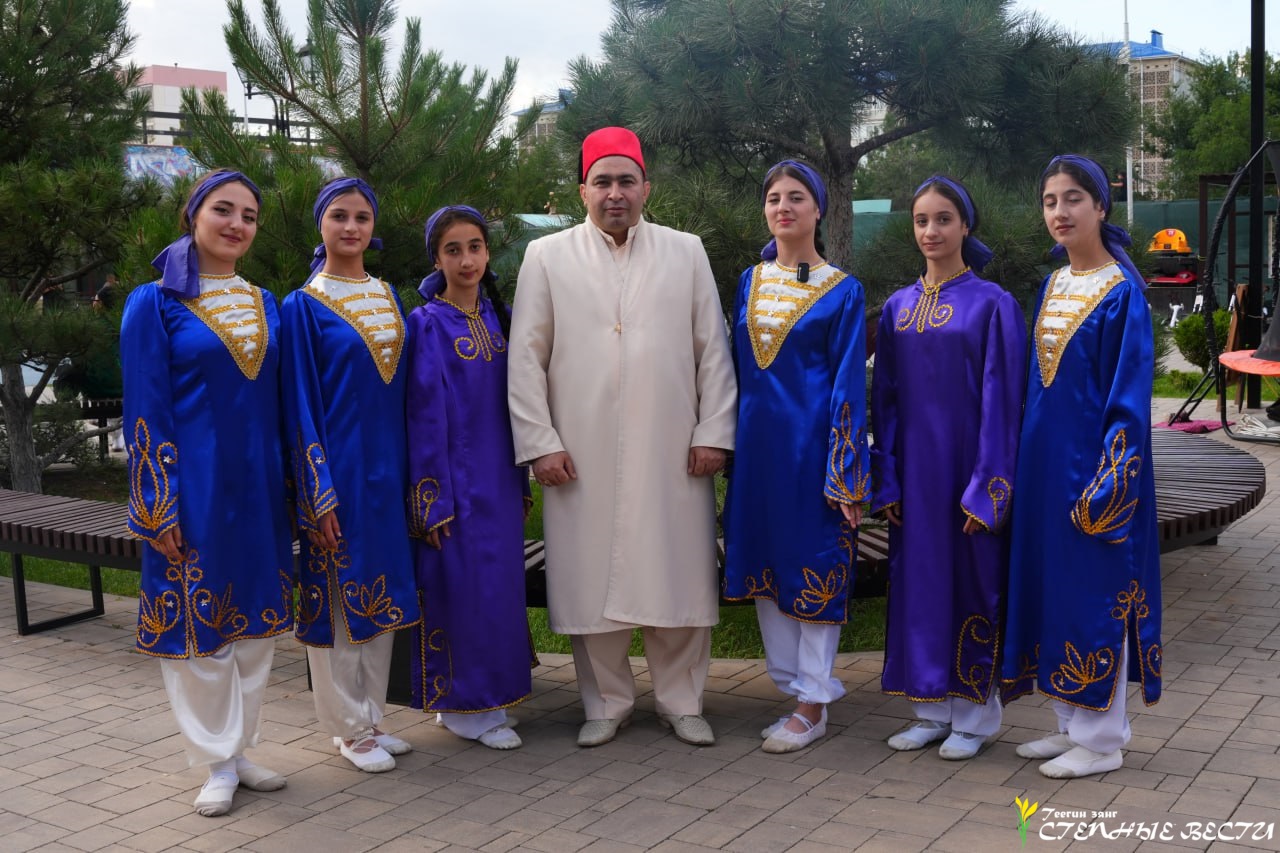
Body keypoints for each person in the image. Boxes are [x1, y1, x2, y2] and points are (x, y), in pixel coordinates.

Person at [507, 126, 737, 748]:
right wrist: (540, 442)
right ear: (582, 191)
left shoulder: (685, 251)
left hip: (672, 447)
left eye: (626, 181)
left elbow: (712, 349)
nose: (615, 193)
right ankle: (605, 703)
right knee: (591, 580)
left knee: (676, 574)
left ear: (646, 189)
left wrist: (714, 430)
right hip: (578, 449)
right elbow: (526, 357)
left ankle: (681, 701)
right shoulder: (547, 256)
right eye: (603, 182)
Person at [121, 169, 293, 817]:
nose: (236, 224)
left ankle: (241, 749)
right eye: (223, 210)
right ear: (193, 215)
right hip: (192, 489)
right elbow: (145, 408)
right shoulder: (154, 302)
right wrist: (157, 501)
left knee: (254, 625)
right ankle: (216, 759)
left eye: (248, 215)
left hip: (259, 489)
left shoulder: (265, 301)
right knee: (201, 627)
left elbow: (278, 403)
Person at [1001, 154, 1161, 779]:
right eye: (1050, 201)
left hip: (1096, 476)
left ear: (1101, 206)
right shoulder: (1053, 286)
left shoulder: (1123, 293)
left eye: (1073, 199)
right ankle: (1070, 720)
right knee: (1054, 591)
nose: (1060, 212)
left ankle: (1102, 739)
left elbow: (1129, 401)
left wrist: (1109, 484)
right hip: (1044, 471)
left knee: (1095, 594)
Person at [871, 175, 1026, 760]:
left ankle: (975, 717)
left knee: (972, 583)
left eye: (943, 219)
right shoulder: (897, 308)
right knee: (918, 586)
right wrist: (887, 478)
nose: (931, 230)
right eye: (921, 220)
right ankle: (929, 710)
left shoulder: (993, 304)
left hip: (968, 471)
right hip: (915, 476)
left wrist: (989, 488)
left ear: (965, 225)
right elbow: (884, 401)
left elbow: (1003, 401)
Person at [722, 160, 869, 754]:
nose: (783, 206)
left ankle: (813, 701)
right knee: (766, 570)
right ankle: (794, 690)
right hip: (757, 457)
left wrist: (846, 473)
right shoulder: (749, 281)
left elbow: (848, 386)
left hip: (813, 456)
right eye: (774, 198)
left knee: (814, 567)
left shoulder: (844, 290)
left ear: (818, 209)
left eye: (796, 197)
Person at [281, 177, 419, 774]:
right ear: (321, 223)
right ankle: (346, 728)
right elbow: (299, 404)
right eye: (339, 215)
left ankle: (371, 716)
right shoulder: (302, 306)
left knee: (380, 597)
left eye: (362, 216)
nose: (351, 227)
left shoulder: (388, 296)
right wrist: (317, 493)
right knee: (339, 601)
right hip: (337, 472)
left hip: (389, 472)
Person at [405, 205, 532, 750]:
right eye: (453, 250)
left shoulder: (501, 318)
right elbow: (423, 415)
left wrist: (521, 482)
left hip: (500, 479)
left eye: (475, 247)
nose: (466, 260)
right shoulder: (427, 323)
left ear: (487, 252)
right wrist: (432, 500)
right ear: (437, 259)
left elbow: (517, 407)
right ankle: (463, 708)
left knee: (497, 589)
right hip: (454, 483)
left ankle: (488, 699)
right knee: (461, 589)